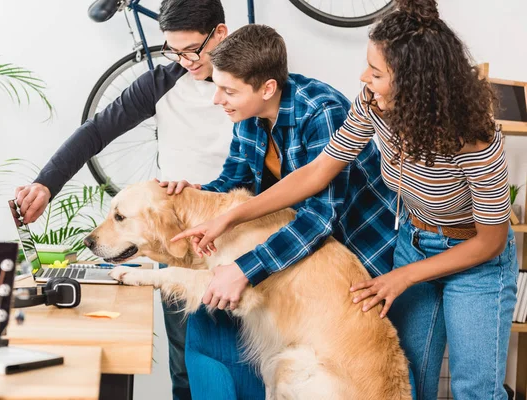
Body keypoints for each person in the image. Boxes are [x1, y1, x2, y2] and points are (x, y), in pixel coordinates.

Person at [175, 1, 518, 399]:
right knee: (412, 385)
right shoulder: (373, 103)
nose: (362, 77)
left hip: (475, 259)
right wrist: (229, 218)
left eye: (375, 72)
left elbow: (490, 241)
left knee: (474, 391)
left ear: (416, 82)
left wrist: (403, 276)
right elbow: (317, 172)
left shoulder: (475, 139)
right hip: (415, 241)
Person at [163, 23, 399, 397]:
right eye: (218, 87)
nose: (217, 99)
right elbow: (233, 183)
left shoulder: (322, 111)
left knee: (374, 376)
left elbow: (319, 217)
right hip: (313, 262)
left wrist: (247, 268)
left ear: (267, 88)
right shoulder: (248, 115)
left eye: (228, 90)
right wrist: (192, 193)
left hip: (366, 254)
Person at [14, 1, 233, 398]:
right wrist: (46, 183)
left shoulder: (249, 85)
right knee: (184, 364)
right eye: (173, 50)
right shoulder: (160, 82)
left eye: (191, 50)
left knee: (238, 365)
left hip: (234, 237)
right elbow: (97, 131)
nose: (183, 61)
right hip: (174, 241)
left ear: (220, 33)